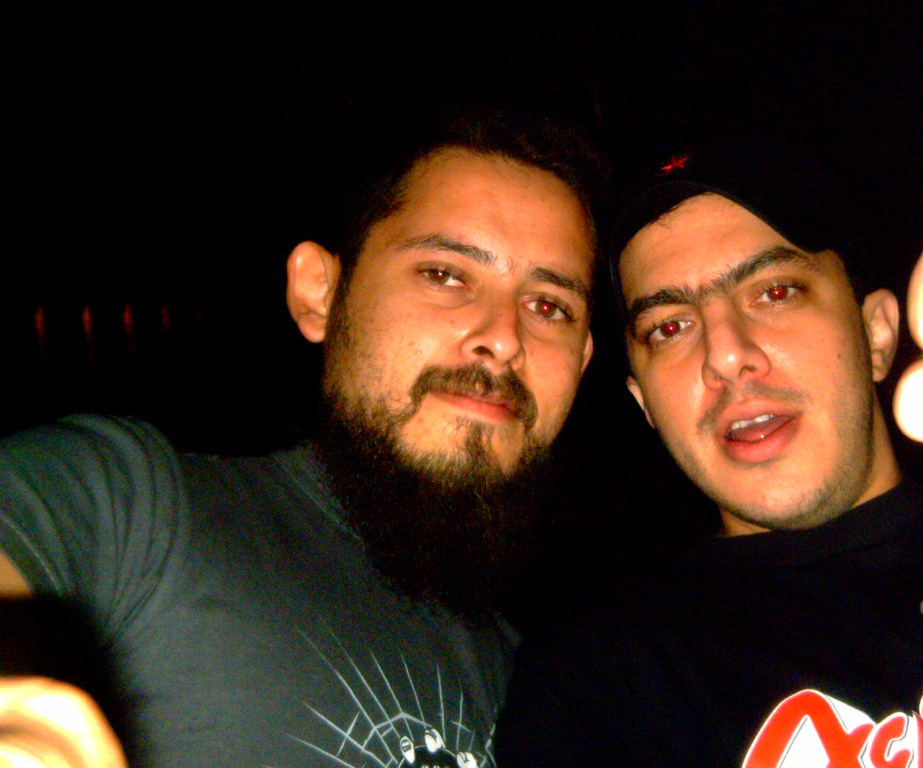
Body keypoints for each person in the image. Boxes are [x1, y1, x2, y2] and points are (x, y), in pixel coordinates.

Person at [0, 108, 606, 767]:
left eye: (550, 307)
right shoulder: (131, 507)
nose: (504, 338)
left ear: (581, 362)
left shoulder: (547, 689)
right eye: (445, 274)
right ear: (320, 293)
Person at [494, 140, 923, 767]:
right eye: (670, 327)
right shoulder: (595, 686)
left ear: (876, 333)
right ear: (645, 406)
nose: (724, 355)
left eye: (775, 292)